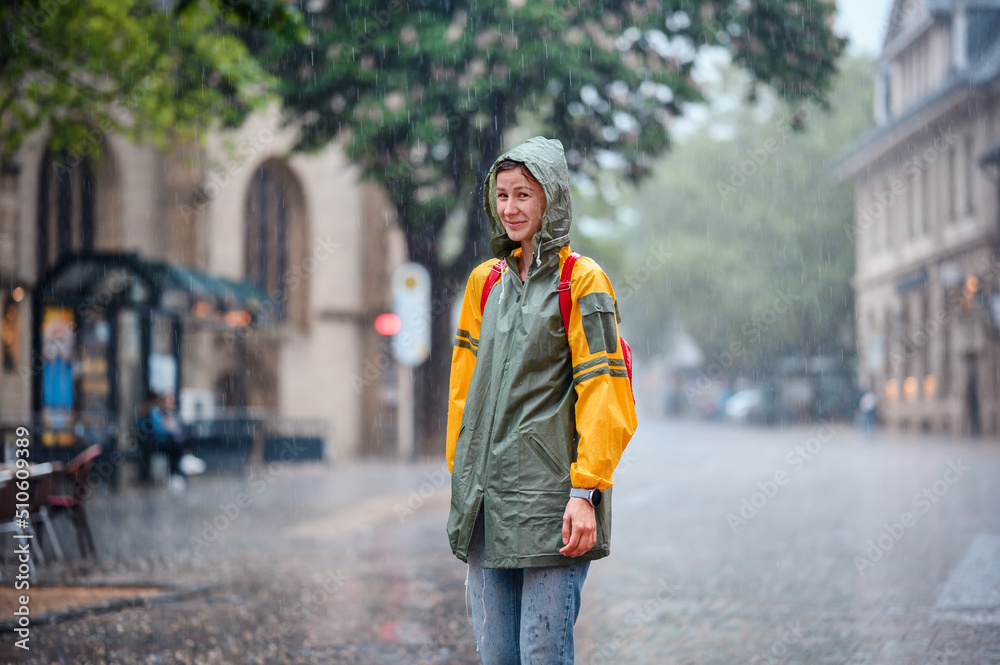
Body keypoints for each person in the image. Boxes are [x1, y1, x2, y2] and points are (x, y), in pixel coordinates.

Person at [446, 136, 638, 664]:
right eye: (502, 195)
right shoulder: (484, 284)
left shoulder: (582, 281)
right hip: (487, 505)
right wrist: (462, 477)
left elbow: (605, 390)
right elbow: (463, 394)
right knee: (496, 655)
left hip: (553, 505)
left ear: (550, 199)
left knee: (542, 651)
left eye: (524, 195)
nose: (510, 208)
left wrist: (585, 491)